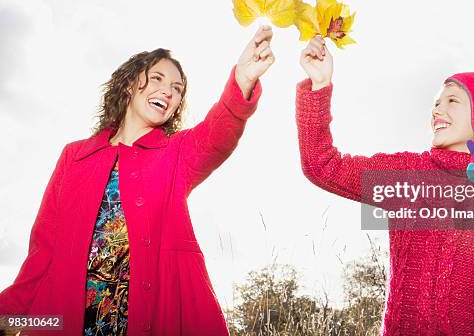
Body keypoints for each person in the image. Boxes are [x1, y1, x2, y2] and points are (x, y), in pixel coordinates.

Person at [295, 35, 474, 335]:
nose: (437, 110)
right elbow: (322, 165)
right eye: (436, 103)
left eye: (452, 101)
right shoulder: (407, 174)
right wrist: (319, 86)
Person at [0, 25, 275, 335]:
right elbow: (43, 250)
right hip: (65, 319)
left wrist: (243, 78)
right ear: (130, 85)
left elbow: (216, 135)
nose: (168, 91)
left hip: (144, 318)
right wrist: (10, 317)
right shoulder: (74, 157)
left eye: (177, 88)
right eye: (157, 78)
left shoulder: (176, 154)